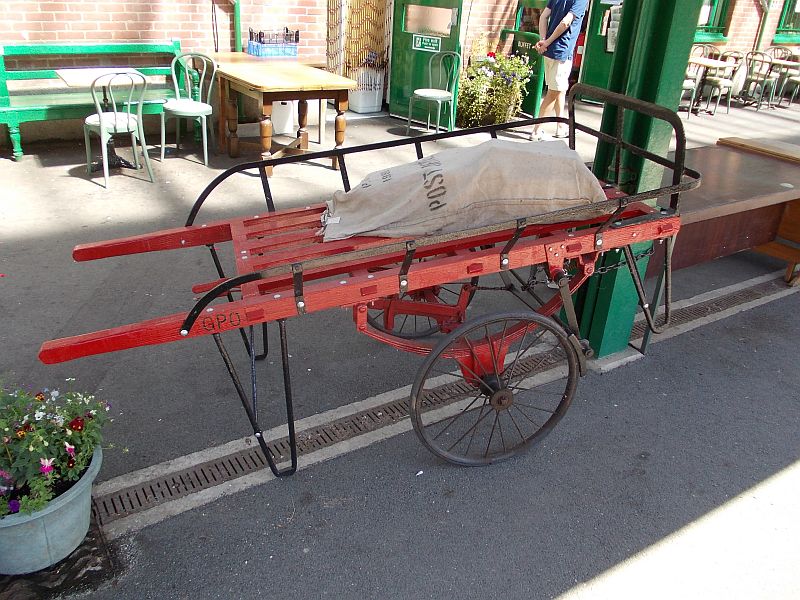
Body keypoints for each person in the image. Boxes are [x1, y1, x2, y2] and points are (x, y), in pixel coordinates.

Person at [530, 0, 589, 140]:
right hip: (561, 51)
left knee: (560, 89)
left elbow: (543, 16)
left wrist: (543, 40)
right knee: (554, 92)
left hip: (549, 51)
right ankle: (537, 130)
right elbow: (565, 22)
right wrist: (547, 42)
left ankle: (561, 127)